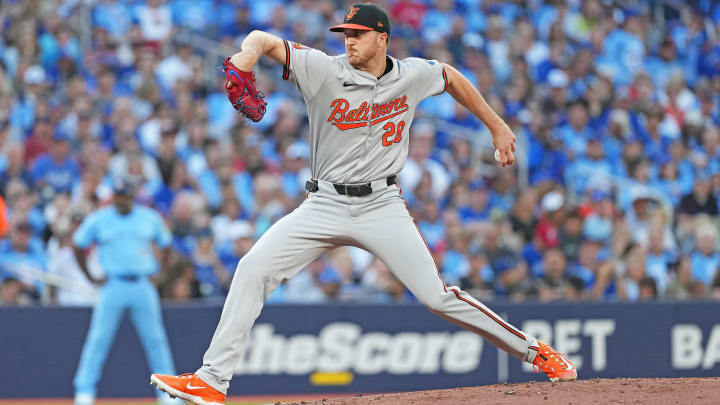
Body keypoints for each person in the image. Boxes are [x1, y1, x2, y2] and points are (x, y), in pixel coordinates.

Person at [151, 5, 576, 405]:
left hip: (382, 204)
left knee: (437, 297)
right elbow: (262, 38)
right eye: (345, 33)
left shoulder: (410, 75)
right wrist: (245, 57)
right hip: (324, 203)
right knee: (252, 269)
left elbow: (450, 76)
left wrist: (497, 126)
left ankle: (536, 352)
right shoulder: (321, 69)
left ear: (382, 39)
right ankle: (211, 381)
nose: (349, 41)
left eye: (357, 34)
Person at [72, 179, 180, 405]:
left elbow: (167, 243)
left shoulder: (148, 217)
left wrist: (160, 273)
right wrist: (91, 277)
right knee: (98, 340)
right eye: (119, 196)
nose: (123, 201)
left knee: (156, 340)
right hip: (113, 285)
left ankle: (167, 393)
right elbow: (78, 244)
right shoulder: (100, 219)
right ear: (114, 197)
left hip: (142, 284)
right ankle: (84, 392)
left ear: (132, 196)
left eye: (126, 196)